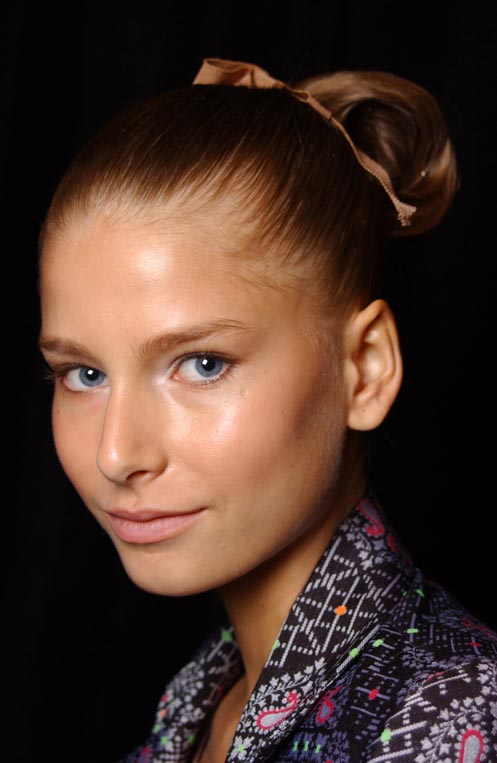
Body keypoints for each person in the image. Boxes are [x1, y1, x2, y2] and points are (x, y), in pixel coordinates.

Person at [38, 58, 497, 763]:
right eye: (85, 374)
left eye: (202, 364)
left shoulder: (449, 718)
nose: (116, 453)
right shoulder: (202, 700)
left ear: (364, 369)